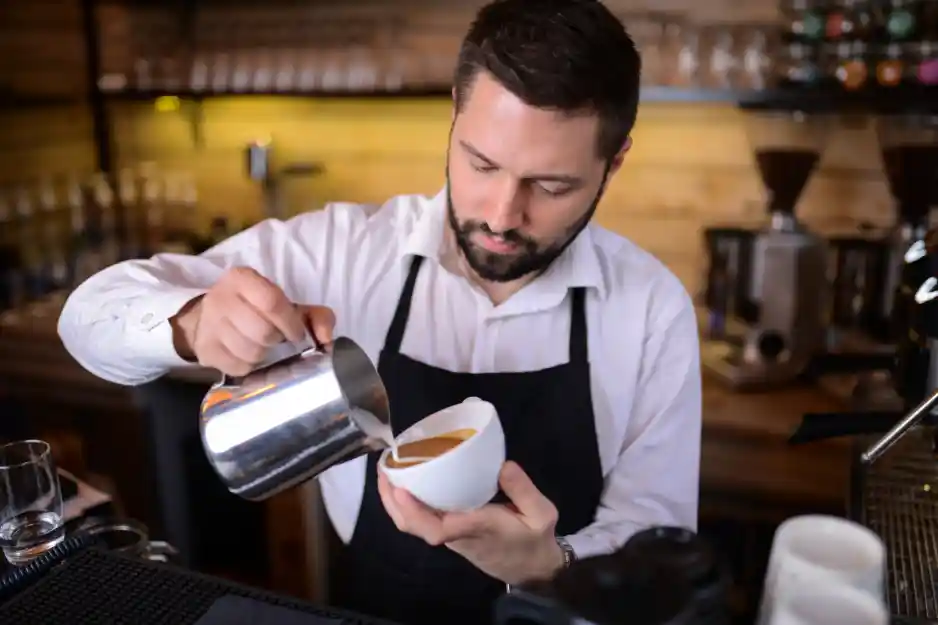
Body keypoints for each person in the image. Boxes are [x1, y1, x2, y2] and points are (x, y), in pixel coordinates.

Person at [57, 0, 701, 623]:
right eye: (481, 164)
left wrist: (554, 566)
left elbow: (659, 543)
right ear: (454, 115)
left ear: (614, 163)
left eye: (551, 186)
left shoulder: (649, 308)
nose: (503, 215)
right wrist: (191, 322)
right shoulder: (342, 251)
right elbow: (86, 319)